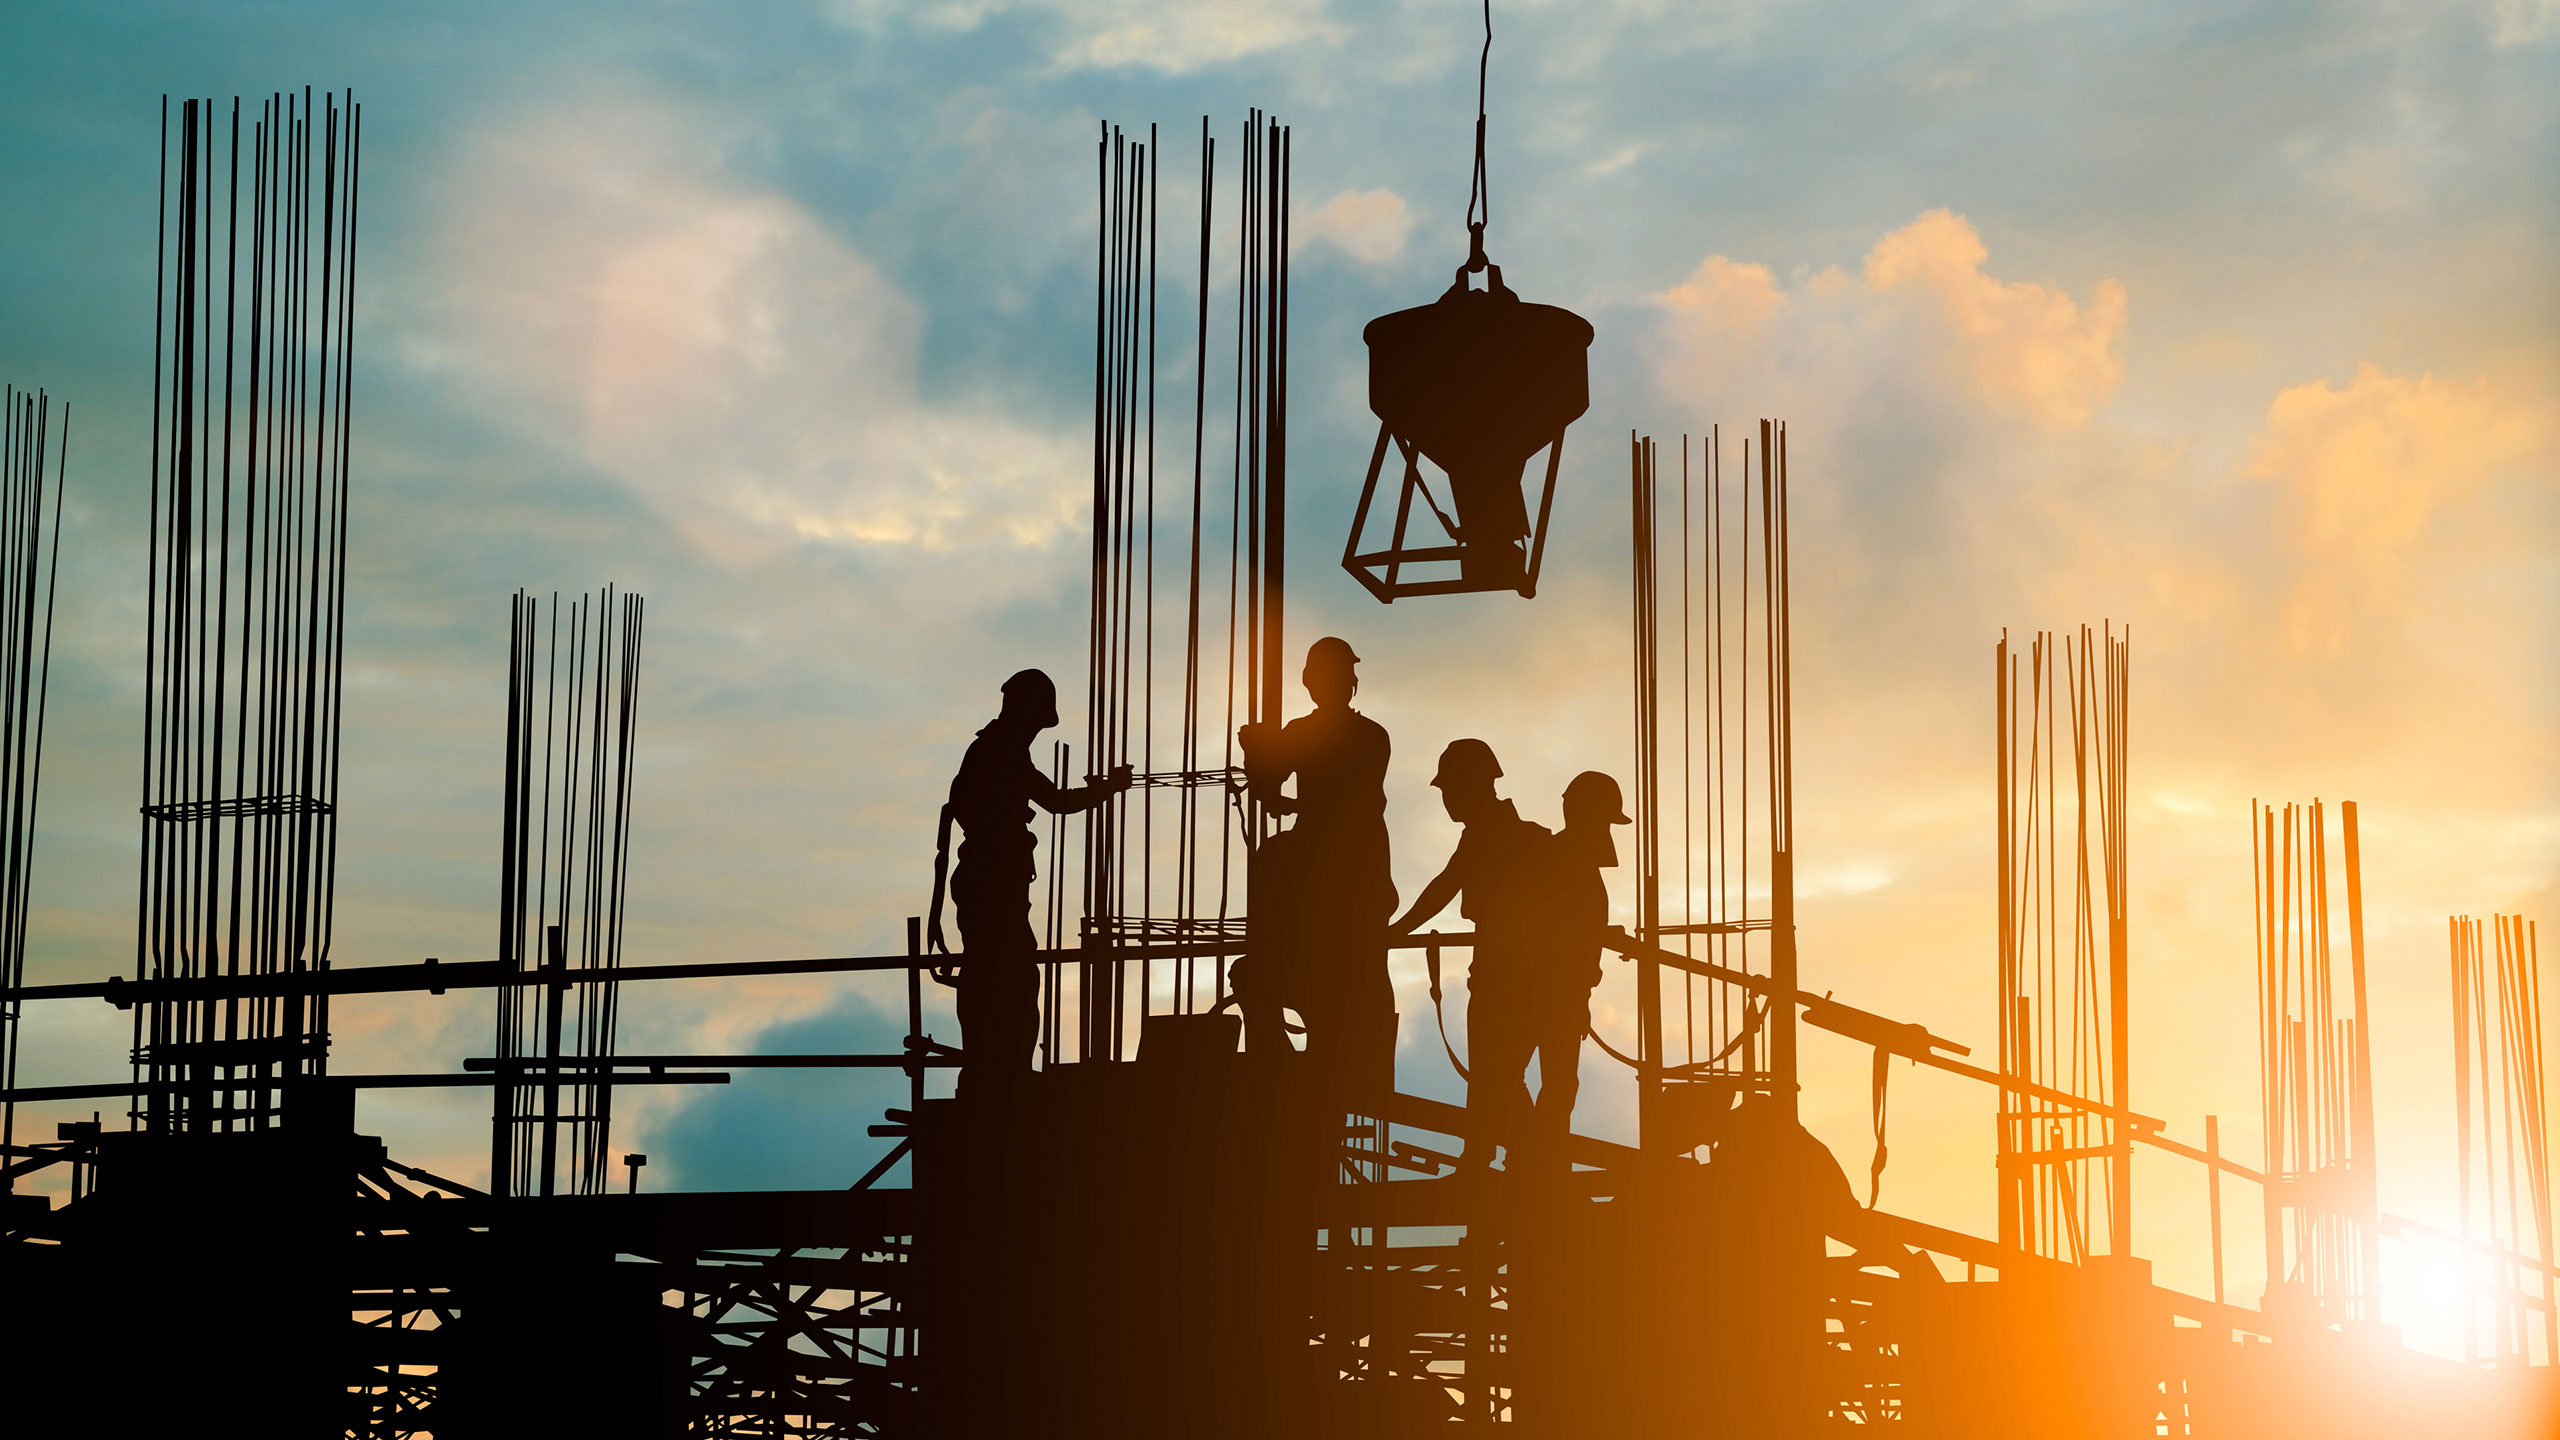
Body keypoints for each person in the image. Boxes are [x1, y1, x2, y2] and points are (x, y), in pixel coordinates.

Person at [928, 668, 1130, 1091]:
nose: (1039, 729)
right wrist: (1109, 789)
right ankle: (1001, 1069)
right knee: (1010, 977)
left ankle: (990, 1067)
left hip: (989, 881)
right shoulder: (1002, 753)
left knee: (995, 973)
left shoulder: (995, 749)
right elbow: (1055, 801)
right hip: (993, 883)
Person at [1235, 638, 1397, 1088]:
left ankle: (1292, 1068)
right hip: (1357, 875)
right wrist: (1264, 757)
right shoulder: (1371, 735)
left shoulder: (1323, 735)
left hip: (1336, 873)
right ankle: (1331, 1065)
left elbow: (1270, 790)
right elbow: (1280, 795)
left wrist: (1259, 753)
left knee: (1273, 977)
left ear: (1310, 682)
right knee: (1340, 987)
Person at [1389, 739, 1551, 1170]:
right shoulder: (1492, 832)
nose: (1445, 800)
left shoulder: (1496, 834)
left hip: (1508, 973)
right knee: (1498, 1074)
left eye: (1449, 790)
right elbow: (1449, 882)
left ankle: (1505, 1158)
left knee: (1493, 1073)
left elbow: (1446, 885)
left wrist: (1393, 933)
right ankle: (1519, 1158)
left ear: (1473, 785)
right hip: (1508, 970)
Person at [1522, 771, 1630, 1169]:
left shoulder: (1561, 860)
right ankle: (1538, 1157)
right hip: (1553, 993)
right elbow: (1560, 930)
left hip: (1557, 992)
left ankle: (1538, 1154)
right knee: (1555, 1084)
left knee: (1556, 1084)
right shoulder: (1563, 863)